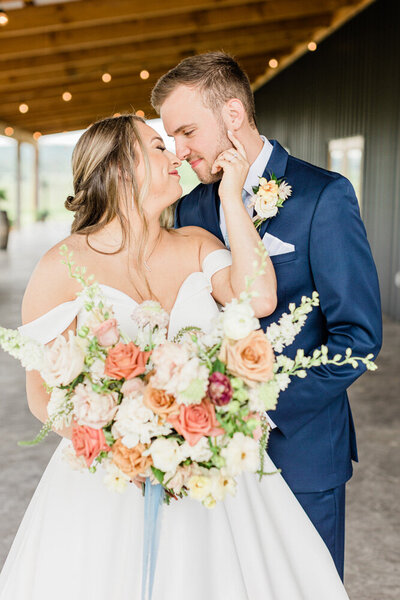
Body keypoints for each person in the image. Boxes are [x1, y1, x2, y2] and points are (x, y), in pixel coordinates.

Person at [0, 115, 350, 599]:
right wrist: (120, 440)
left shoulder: (197, 244)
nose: (176, 157)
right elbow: (41, 393)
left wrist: (231, 200)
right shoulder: (60, 265)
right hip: (109, 477)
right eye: (159, 147)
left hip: (211, 473)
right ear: (122, 169)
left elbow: (260, 296)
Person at [151, 51, 382, 580]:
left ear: (233, 114)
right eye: (172, 138)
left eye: (187, 132)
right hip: (212, 461)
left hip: (303, 454)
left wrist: (257, 403)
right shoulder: (193, 209)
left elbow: (359, 338)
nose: (180, 152)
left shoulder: (325, 195)